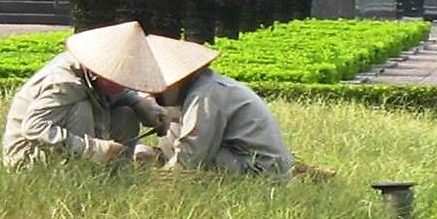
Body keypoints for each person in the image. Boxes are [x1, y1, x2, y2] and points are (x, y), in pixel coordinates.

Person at [128, 34, 330, 181]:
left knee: (187, 163)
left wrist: (158, 182)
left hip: (260, 169)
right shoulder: (197, 90)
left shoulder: (206, 95)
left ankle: (295, 174)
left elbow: (191, 158)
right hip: (243, 158)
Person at [1, 21, 178, 169]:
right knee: (82, 108)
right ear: (99, 71)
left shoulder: (99, 80)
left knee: (127, 113)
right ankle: (83, 172)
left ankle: (116, 172)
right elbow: (34, 129)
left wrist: (142, 105)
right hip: (27, 156)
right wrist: (93, 148)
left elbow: (120, 94)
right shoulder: (64, 83)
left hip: (68, 146)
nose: (125, 84)